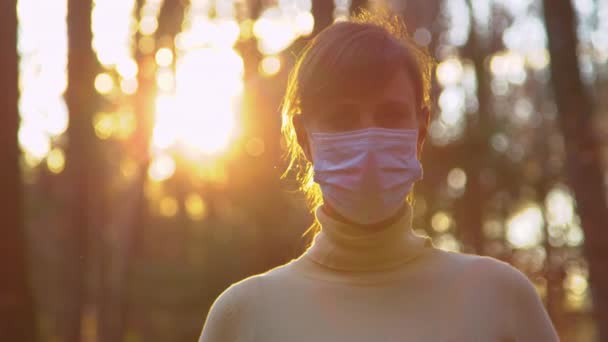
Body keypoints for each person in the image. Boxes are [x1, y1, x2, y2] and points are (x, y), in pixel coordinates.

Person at [199, 9, 559, 342]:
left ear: (420, 130)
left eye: (390, 115)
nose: (369, 141)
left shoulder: (500, 299)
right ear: (305, 138)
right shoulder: (243, 316)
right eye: (342, 119)